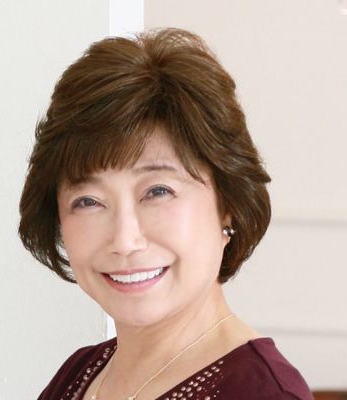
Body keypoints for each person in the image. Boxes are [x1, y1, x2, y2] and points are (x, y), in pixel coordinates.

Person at [18, 28, 313, 400]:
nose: (125, 240)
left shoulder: (263, 393)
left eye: (158, 191)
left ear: (227, 206)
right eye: (89, 201)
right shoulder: (79, 375)